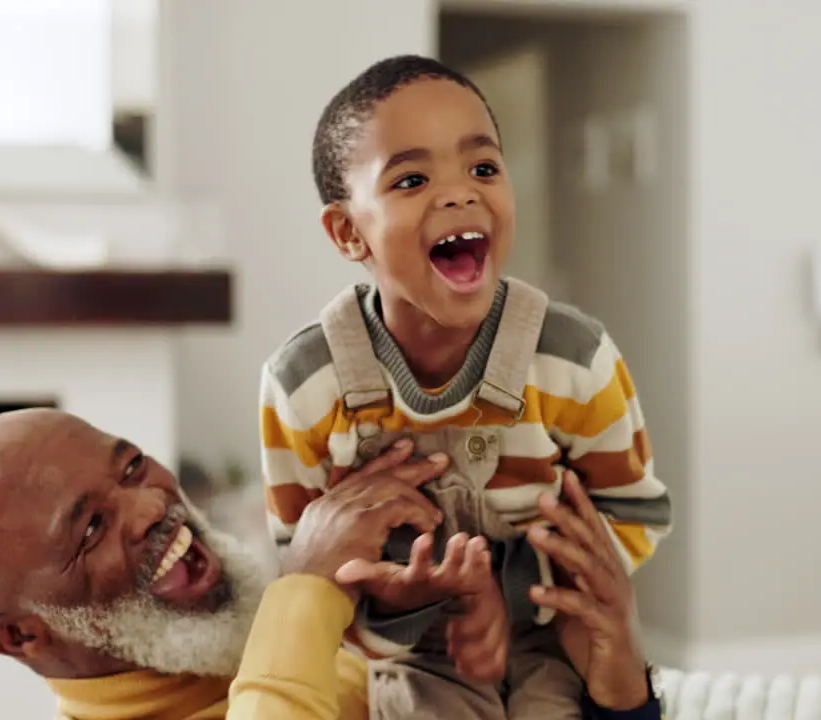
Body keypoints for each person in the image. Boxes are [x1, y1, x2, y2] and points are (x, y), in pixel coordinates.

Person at [259, 53, 673, 717]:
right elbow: (307, 574)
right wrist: (402, 603)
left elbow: (635, 515)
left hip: (550, 637)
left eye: (482, 167)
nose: (460, 193)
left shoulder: (574, 358)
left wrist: (514, 595)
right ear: (347, 231)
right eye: (412, 178)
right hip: (416, 655)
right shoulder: (304, 388)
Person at [0, 408, 661, 719]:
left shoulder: (295, 659)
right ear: (19, 637)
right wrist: (306, 589)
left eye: (133, 467)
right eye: (92, 528)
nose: (150, 507)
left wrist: (614, 683)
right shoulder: (296, 636)